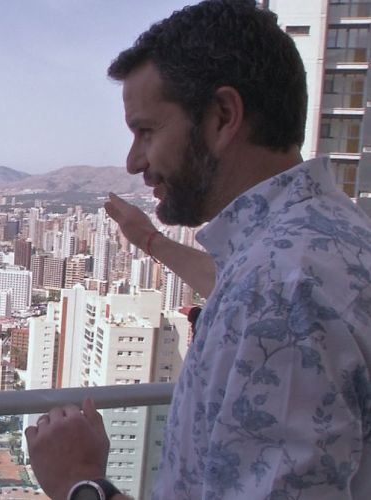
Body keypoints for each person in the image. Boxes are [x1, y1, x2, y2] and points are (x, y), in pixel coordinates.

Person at [26, 1, 371, 499]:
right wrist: (150, 241)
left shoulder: (277, 292)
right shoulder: (327, 236)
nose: (133, 161)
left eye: (146, 130)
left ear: (223, 116)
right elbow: (232, 283)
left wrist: (80, 482)